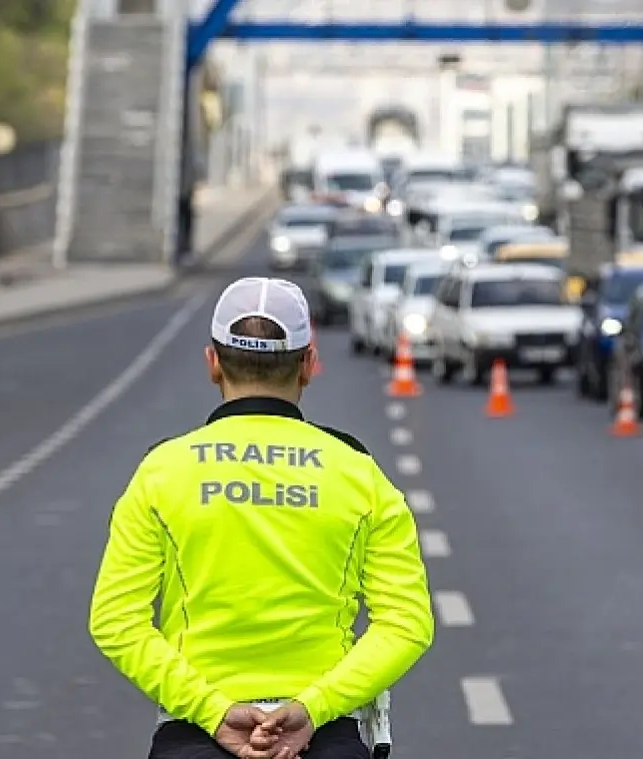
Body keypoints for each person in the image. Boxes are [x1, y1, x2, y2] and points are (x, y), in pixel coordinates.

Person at [89, 277, 435, 759]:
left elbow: (115, 620)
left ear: (213, 362)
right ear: (308, 364)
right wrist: (314, 707)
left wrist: (211, 710)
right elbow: (407, 622)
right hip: (326, 731)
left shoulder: (162, 471)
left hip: (195, 732)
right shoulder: (358, 472)